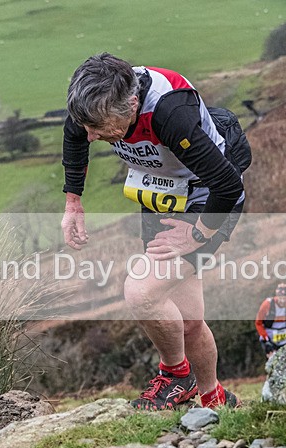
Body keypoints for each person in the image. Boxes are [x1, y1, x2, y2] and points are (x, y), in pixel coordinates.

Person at [61, 53, 246, 410]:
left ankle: (178, 377)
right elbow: (74, 137)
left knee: (141, 291)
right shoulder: (93, 103)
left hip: (209, 201)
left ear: (131, 105)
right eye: (87, 124)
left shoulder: (170, 112)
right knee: (188, 321)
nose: (92, 134)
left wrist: (198, 234)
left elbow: (228, 185)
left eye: (100, 126)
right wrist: (73, 204)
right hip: (163, 196)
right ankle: (214, 399)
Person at [254, 283, 286, 359]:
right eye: (280, 298)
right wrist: (266, 339)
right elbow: (258, 323)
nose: (282, 301)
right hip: (269, 340)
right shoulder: (267, 304)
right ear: (276, 296)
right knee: (273, 361)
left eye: (285, 298)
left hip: (285, 340)